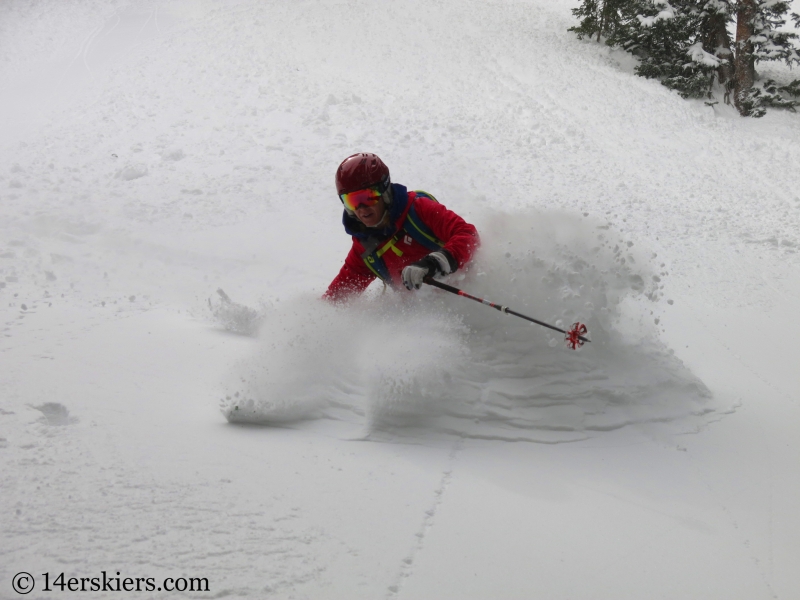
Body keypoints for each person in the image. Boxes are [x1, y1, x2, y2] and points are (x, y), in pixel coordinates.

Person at [324, 153, 479, 301]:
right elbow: (338, 297)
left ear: (384, 192)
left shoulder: (419, 210)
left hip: (469, 293)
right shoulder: (365, 248)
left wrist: (433, 263)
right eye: (352, 201)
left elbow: (468, 235)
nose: (361, 208)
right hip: (426, 319)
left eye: (368, 197)